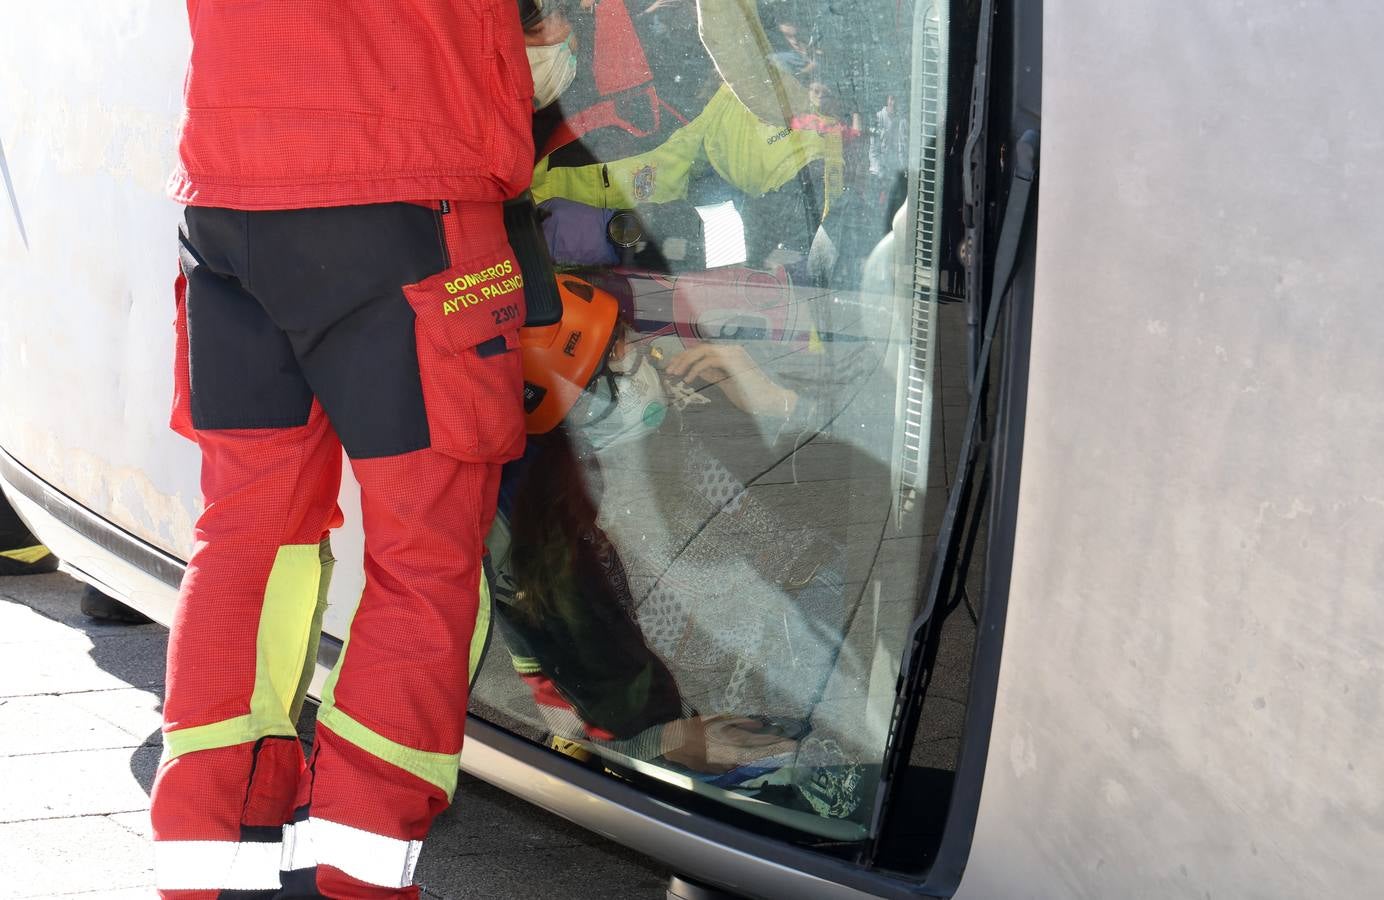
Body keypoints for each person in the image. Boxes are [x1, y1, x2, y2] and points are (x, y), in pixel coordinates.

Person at [149, 3, 535, 898]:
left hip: (231, 198)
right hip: (409, 199)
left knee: (247, 533)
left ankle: (208, 861)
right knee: (425, 551)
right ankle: (356, 873)